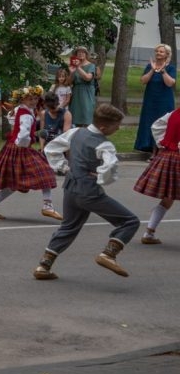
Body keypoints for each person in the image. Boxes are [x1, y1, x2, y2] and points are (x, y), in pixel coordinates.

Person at [34, 104, 139, 279]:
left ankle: (43, 266)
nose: (118, 128)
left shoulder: (76, 132)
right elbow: (110, 168)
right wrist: (100, 177)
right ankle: (109, 254)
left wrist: (65, 169)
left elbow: (51, 148)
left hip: (70, 188)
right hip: (88, 192)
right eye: (116, 125)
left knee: (68, 226)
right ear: (104, 127)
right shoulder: (105, 145)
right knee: (130, 221)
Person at [0, 85, 62, 221]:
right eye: (30, 99)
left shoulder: (23, 110)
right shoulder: (26, 114)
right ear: (23, 100)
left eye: (36, 98)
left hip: (14, 147)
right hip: (21, 149)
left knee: (15, 183)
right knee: (46, 172)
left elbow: (14, 119)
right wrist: (31, 139)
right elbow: (23, 135)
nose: (34, 101)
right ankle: (47, 206)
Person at [133, 107, 180, 245]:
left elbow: (156, 125)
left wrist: (164, 142)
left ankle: (149, 232)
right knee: (168, 198)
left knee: (168, 198)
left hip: (168, 156)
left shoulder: (174, 113)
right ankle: (149, 233)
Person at [135, 44, 176, 153]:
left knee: (162, 125)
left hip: (164, 100)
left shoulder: (170, 67)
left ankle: (158, 151)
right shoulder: (150, 66)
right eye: (157, 51)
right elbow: (143, 81)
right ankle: (149, 147)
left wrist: (162, 71)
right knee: (149, 122)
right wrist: (153, 70)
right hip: (150, 100)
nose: (158, 53)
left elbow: (170, 83)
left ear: (167, 54)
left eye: (161, 52)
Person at [67, 46, 97, 126]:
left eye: (83, 52)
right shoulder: (73, 65)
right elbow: (69, 82)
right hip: (76, 92)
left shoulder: (91, 65)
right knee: (75, 117)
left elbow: (88, 78)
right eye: (78, 52)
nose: (80, 54)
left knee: (87, 115)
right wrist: (72, 72)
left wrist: (78, 67)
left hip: (87, 93)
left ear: (86, 54)